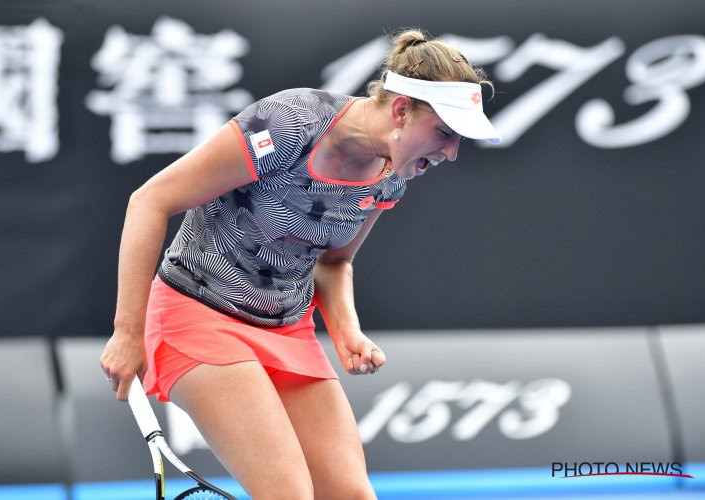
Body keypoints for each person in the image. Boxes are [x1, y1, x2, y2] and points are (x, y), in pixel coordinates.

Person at [100, 28, 501, 500]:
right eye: (445, 133)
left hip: (288, 328)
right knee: (289, 494)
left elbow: (333, 265)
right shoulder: (288, 123)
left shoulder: (389, 177)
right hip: (197, 314)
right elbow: (150, 201)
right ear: (399, 110)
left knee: (352, 495)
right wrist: (127, 331)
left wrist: (347, 331)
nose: (451, 152)